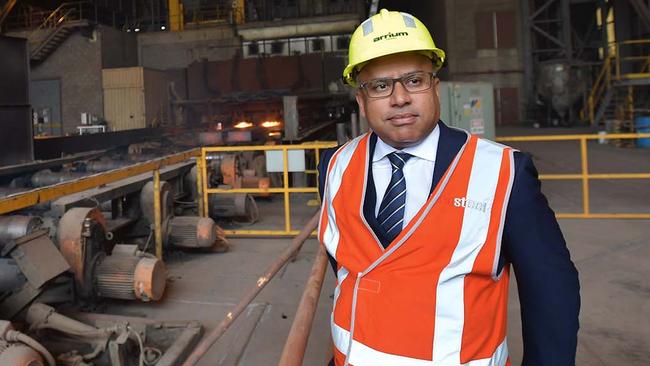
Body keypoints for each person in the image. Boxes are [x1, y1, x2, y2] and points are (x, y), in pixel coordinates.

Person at [317, 9, 580, 366]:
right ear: (361, 101)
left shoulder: (503, 173)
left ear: (434, 87)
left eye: (413, 81)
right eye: (380, 86)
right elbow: (348, 263)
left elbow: (551, 291)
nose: (399, 99)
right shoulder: (334, 167)